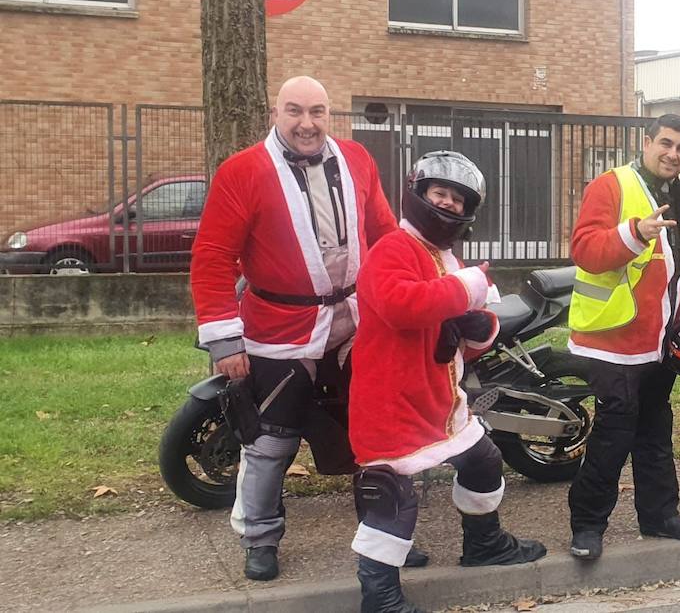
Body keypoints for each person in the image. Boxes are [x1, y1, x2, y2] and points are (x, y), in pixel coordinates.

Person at [191, 76, 399, 581]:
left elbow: (385, 233)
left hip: (355, 322)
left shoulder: (357, 160)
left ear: (331, 115)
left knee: (378, 435)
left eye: (318, 111)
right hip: (280, 328)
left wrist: (406, 293)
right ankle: (259, 538)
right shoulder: (242, 172)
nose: (307, 123)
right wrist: (225, 340)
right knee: (269, 441)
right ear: (275, 114)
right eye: (295, 111)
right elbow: (213, 256)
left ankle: (386, 537)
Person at [348, 151, 545, 612]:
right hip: (391, 399)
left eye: (460, 199)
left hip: (438, 396)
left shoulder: (443, 257)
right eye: (441, 193)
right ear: (419, 194)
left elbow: (448, 328)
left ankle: (485, 544)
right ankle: (379, 598)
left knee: (482, 460)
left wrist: (477, 330)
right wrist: (467, 290)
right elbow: (401, 304)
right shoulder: (394, 248)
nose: (451, 205)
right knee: (390, 497)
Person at [565, 114, 680, 560]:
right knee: (615, 432)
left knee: (656, 430)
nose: (673, 154)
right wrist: (634, 233)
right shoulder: (611, 186)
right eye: (666, 144)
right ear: (647, 142)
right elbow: (585, 250)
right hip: (610, 338)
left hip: (659, 340)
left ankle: (659, 516)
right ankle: (587, 525)